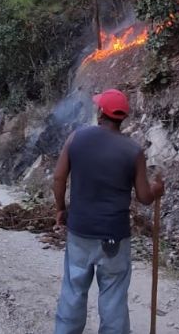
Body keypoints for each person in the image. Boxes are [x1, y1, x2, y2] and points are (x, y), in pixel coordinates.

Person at [52, 89, 165, 334]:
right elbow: (145, 198)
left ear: (101, 112)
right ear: (122, 117)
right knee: (113, 298)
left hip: (80, 232)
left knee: (73, 291)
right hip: (115, 237)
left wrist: (61, 208)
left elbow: (59, 178)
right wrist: (157, 189)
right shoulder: (133, 152)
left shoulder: (76, 138)